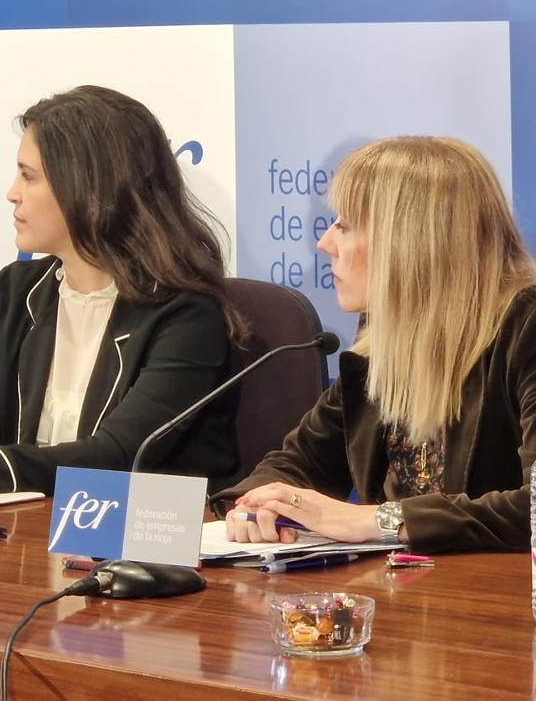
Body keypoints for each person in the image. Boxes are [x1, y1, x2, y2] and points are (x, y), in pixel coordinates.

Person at [0, 86, 243, 497]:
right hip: (28, 532)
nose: (12, 192)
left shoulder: (185, 312)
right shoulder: (18, 290)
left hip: (140, 546)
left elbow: (118, 457)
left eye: (29, 176)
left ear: (91, 190)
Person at [217, 136, 536, 553]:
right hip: (401, 594)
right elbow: (298, 464)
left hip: (493, 601)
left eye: (345, 226)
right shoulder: (385, 333)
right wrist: (256, 504)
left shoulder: (525, 325)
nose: (324, 243)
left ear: (410, 241)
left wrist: (377, 519)